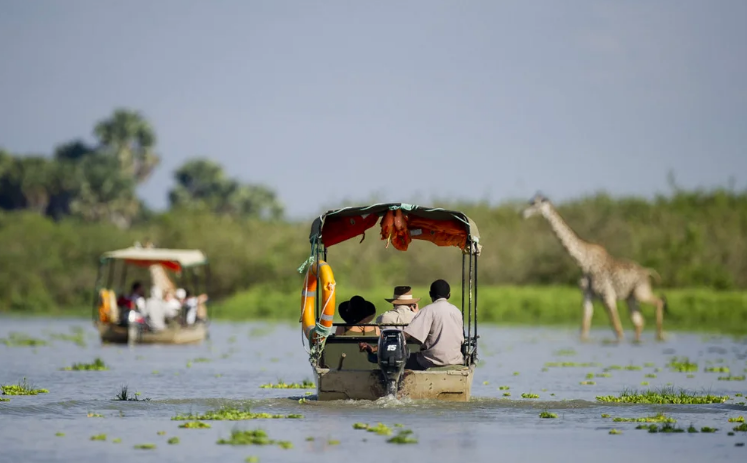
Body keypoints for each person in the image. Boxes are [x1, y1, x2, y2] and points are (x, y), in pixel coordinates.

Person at [360, 279, 464, 371]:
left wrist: (375, 348)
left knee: (396, 359)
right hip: (455, 360)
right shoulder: (457, 312)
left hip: (430, 361)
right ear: (449, 295)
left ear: (430, 294)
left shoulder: (427, 311)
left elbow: (406, 335)